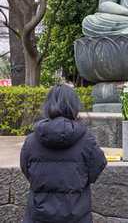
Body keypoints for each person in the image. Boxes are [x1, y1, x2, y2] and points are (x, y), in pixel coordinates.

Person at [20, 84, 107, 222]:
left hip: (38, 216)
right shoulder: (87, 141)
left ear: (48, 105)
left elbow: (27, 170)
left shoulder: (31, 141)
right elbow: (97, 166)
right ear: (74, 105)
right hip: (77, 215)